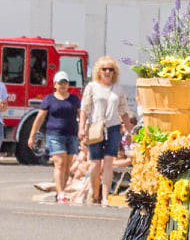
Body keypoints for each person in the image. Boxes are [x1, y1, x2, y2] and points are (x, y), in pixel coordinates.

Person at [79, 57, 132, 205]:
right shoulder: (92, 87)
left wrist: (129, 132)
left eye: (111, 69)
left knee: (109, 162)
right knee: (95, 163)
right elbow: (84, 108)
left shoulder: (118, 89)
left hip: (113, 127)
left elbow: (124, 111)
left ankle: (105, 197)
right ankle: (92, 189)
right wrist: (82, 127)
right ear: (99, 71)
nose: (107, 72)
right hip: (95, 126)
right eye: (104, 69)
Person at [39, 70, 81, 201]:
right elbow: (40, 117)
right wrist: (32, 134)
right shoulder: (49, 99)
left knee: (67, 166)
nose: (63, 85)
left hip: (72, 134)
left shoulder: (74, 99)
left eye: (65, 82)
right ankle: (61, 194)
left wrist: (84, 128)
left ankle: (60, 191)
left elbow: (81, 115)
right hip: (54, 134)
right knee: (59, 163)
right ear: (55, 85)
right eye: (60, 83)